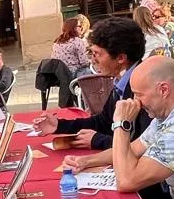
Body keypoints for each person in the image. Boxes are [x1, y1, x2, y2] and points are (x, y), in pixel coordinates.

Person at [64, 56, 174, 199]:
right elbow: (134, 148)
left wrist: (121, 124)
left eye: (139, 95)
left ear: (163, 90)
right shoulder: (171, 113)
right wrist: (85, 161)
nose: (135, 102)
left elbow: (126, 181)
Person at [34, 18, 149, 151]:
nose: (93, 60)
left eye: (97, 54)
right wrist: (59, 125)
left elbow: (142, 143)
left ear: (120, 58)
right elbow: (103, 122)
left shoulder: (144, 88)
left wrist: (97, 140)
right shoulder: (121, 81)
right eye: (91, 53)